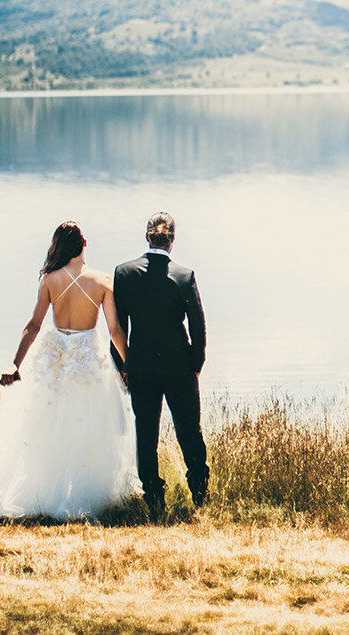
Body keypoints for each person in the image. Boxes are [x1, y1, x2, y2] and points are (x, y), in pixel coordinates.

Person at [0, 221, 141, 519]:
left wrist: (15, 364)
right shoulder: (103, 281)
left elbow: (33, 326)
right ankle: (84, 492)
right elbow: (114, 330)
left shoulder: (49, 280)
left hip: (53, 356)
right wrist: (129, 365)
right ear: (84, 244)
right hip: (88, 358)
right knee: (88, 424)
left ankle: (40, 491)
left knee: (44, 423)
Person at [114, 210, 209, 517]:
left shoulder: (124, 273)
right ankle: (199, 491)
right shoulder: (184, 275)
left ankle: (153, 497)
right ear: (172, 240)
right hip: (180, 366)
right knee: (189, 431)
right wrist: (197, 361)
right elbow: (198, 324)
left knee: (146, 432)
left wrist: (122, 364)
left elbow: (119, 326)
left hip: (140, 366)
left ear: (147, 237)